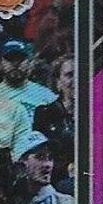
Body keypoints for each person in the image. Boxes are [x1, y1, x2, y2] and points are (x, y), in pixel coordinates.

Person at [33, 54, 75, 192]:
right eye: (69, 75)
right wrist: (67, 168)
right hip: (59, 180)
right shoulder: (45, 114)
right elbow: (40, 158)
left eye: (81, 74)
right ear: (58, 82)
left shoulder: (100, 111)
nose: (76, 80)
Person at [0, 39, 57, 124]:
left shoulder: (46, 95)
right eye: (10, 59)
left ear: (28, 62)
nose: (16, 64)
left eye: (20, 59)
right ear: (0, 63)